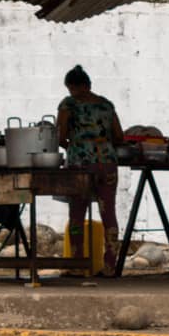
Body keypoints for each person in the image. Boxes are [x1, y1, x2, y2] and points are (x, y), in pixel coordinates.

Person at [55, 65, 123, 275]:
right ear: (89, 84)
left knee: (77, 214)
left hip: (80, 166)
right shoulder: (106, 105)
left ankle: (77, 265)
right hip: (107, 163)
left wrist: (74, 145)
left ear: (70, 86)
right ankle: (110, 266)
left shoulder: (68, 104)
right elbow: (119, 137)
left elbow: (59, 136)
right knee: (108, 213)